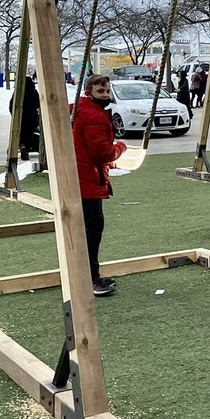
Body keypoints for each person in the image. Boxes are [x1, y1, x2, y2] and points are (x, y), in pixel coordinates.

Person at [73, 74, 127, 297]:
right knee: (93, 228)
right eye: (100, 92)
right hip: (87, 179)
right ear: (89, 93)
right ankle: (91, 279)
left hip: (83, 175)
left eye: (106, 91)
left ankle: (87, 275)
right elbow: (100, 151)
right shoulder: (94, 116)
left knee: (89, 228)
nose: (105, 95)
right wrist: (120, 148)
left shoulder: (82, 110)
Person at [8, 75, 40, 161]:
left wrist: (14, 115)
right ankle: (32, 146)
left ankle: (22, 146)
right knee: (31, 133)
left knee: (21, 134)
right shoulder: (34, 92)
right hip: (33, 118)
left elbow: (11, 105)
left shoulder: (18, 93)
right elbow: (38, 104)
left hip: (21, 118)